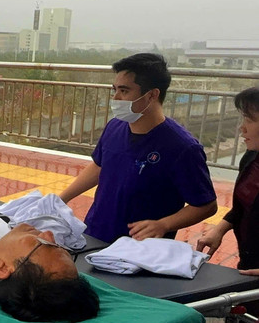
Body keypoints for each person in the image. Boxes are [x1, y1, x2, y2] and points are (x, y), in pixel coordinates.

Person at [59, 53, 217, 243]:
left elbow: (206, 205)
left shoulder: (182, 147)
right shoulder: (114, 127)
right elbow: (99, 166)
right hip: (96, 233)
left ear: (151, 95)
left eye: (124, 91)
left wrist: (163, 225)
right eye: (114, 90)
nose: (116, 98)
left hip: (139, 248)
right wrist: (62, 198)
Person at [197, 87, 259, 274]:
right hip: (248, 265)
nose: (242, 128)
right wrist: (219, 230)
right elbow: (243, 208)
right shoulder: (251, 158)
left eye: (249, 120)